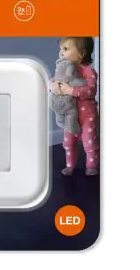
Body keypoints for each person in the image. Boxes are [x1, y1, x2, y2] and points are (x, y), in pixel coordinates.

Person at [50, 37, 99, 176]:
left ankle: (91, 165)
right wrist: (53, 86)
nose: (61, 52)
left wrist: (71, 90)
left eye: (65, 49)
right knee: (68, 143)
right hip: (70, 116)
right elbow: (54, 80)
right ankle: (70, 166)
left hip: (87, 115)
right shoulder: (64, 68)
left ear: (81, 53)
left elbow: (91, 90)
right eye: (60, 49)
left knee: (89, 142)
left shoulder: (89, 71)